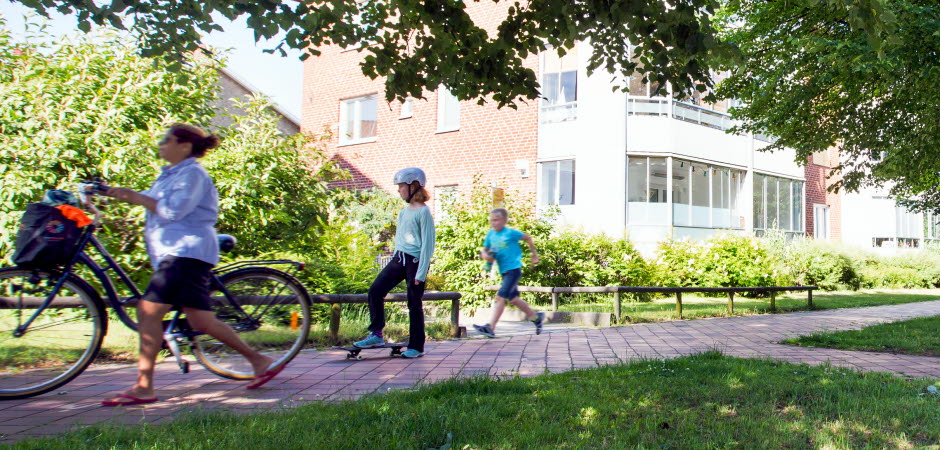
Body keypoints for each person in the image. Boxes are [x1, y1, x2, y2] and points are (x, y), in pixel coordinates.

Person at [100, 124, 281, 406]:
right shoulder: (170, 175)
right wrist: (109, 193)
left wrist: (134, 196)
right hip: (180, 254)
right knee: (201, 321)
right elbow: (152, 205)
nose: (161, 144)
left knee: (148, 313)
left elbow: (173, 211)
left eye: (166, 140)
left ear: (185, 146)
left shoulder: (193, 174)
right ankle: (259, 360)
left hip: (185, 252)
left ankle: (144, 386)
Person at [353, 168, 436, 358]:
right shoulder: (403, 212)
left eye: (401, 187)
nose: (398, 190)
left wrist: (420, 273)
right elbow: (401, 239)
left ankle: (416, 346)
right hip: (399, 258)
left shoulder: (423, 212)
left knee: (414, 303)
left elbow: (428, 245)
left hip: (415, 262)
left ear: (413, 186)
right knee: (375, 290)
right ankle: (376, 333)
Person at [473, 208, 544, 338]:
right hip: (504, 272)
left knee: (500, 297)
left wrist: (534, 256)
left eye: (496, 220)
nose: (493, 223)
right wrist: (486, 262)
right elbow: (488, 252)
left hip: (514, 270)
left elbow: (528, 238)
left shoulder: (510, 233)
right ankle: (536, 317)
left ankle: (491, 327)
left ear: (505, 220)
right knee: (514, 300)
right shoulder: (491, 235)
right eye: (491, 220)